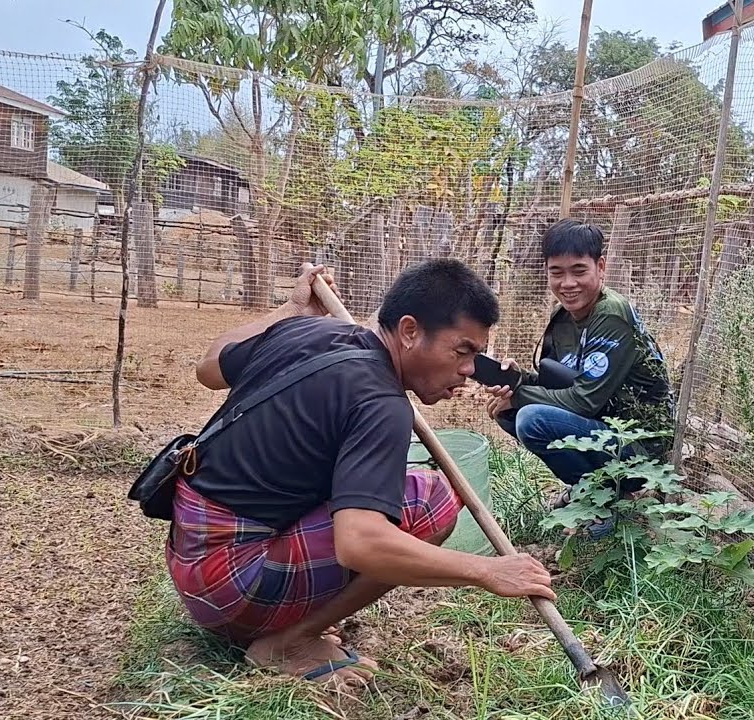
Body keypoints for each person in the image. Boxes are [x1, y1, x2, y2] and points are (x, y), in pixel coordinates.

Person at [166, 259, 555, 691]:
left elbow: (209, 367)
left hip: (194, 558)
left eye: (476, 355)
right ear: (409, 332)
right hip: (231, 585)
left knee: (368, 486)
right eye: (462, 351)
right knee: (431, 502)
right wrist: (486, 571)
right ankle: (289, 642)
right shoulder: (379, 402)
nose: (468, 370)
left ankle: (282, 612)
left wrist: (291, 310)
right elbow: (360, 545)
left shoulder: (306, 331)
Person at [484, 219, 673, 537]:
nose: (567, 283)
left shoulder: (611, 316)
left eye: (578, 270)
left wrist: (519, 393)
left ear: (600, 267)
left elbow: (585, 400)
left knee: (530, 418)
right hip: (604, 426)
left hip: (640, 446)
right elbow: (559, 384)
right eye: (556, 272)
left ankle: (610, 501)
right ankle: (593, 491)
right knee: (510, 413)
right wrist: (518, 380)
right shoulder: (563, 319)